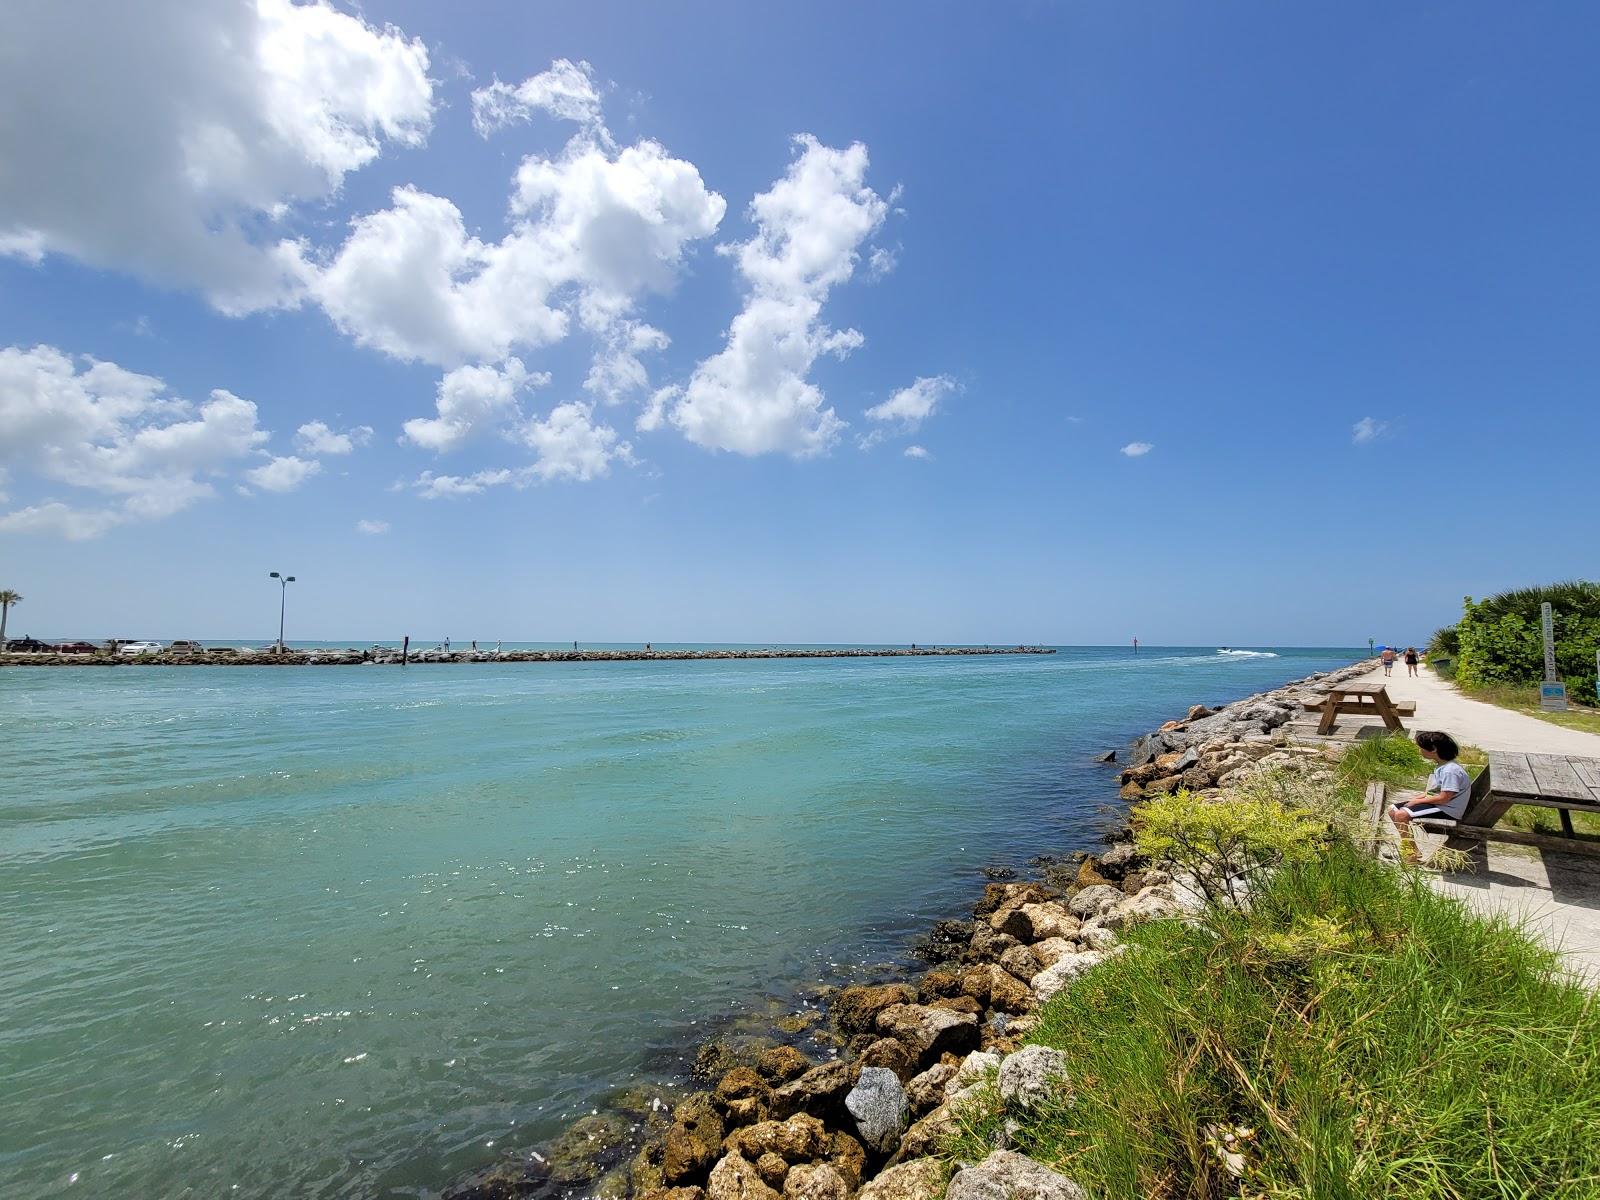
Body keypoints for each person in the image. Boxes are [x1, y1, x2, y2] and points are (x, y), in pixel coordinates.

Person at [1389, 731, 1473, 864]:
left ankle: (1409, 855)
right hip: (1440, 804)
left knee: (1401, 815)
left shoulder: (1451, 771)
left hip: (1448, 809)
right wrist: (1417, 798)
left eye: (1421, 747)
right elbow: (1432, 791)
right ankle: (1413, 850)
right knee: (1392, 809)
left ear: (1433, 749)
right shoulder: (1442, 766)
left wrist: (1418, 801)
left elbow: (1444, 798)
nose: (1419, 750)